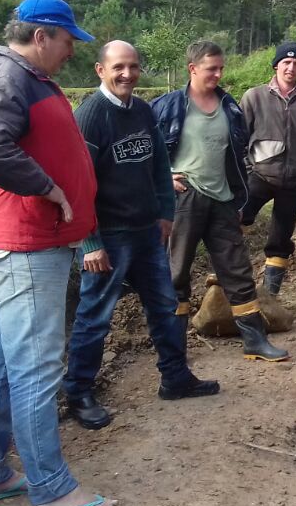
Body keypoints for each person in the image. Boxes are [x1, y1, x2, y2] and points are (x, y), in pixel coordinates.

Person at [0, 0, 119, 506]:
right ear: (42, 35)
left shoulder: (28, 78)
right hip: (25, 245)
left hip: (29, 243)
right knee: (36, 367)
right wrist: (46, 187)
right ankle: (51, 488)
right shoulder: (7, 77)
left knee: (2, 361)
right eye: (69, 40)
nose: (71, 50)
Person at [64, 41, 219, 431]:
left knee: (165, 306)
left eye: (133, 67)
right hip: (108, 237)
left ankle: (175, 377)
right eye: (118, 67)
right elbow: (77, 185)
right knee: (95, 317)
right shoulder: (91, 117)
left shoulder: (143, 111)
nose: (127, 74)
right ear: (101, 70)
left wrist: (165, 213)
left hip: (147, 233)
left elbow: (159, 166)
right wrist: (90, 242)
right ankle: (79, 393)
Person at [152, 41, 289, 362]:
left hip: (222, 200)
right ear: (192, 69)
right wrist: (162, 178)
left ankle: (254, 339)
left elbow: (238, 155)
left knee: (238, 270)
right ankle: (174, 348)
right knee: (175, 272)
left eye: (220, 68)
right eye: (211, 68)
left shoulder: (230, 107)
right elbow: (149, 150)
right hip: (183, 199)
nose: (218, 73)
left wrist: (240, 196)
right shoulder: (168, 106)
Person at [239, 41, 296, 294]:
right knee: (234, 222)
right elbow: (238, 138)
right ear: (276, 66)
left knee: (280, 239)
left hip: (295, 183)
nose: (291, 67)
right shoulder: (254, 97)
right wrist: (247, 171)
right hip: (259, 177)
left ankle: (269, 297)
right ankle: (229, 287)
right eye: (286, 62)